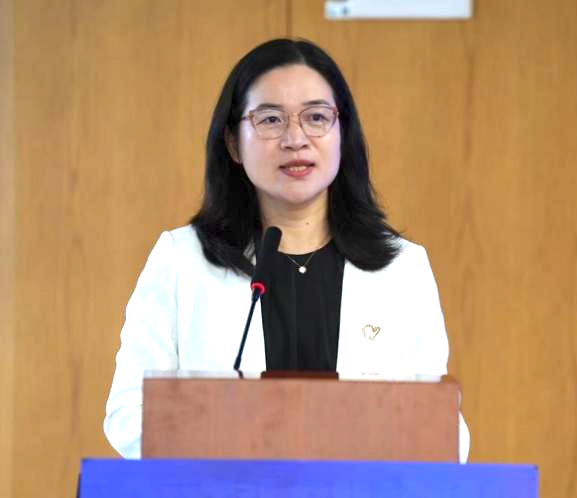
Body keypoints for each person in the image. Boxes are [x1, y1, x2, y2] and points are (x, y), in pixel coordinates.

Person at [103, 38, 469, 462]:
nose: (296, 139)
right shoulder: (182, 260)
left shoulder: (402, 269)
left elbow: (444, 429)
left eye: (316, 117)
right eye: (271, 119)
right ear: (233, 143)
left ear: (342, 133)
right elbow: (129, 413)